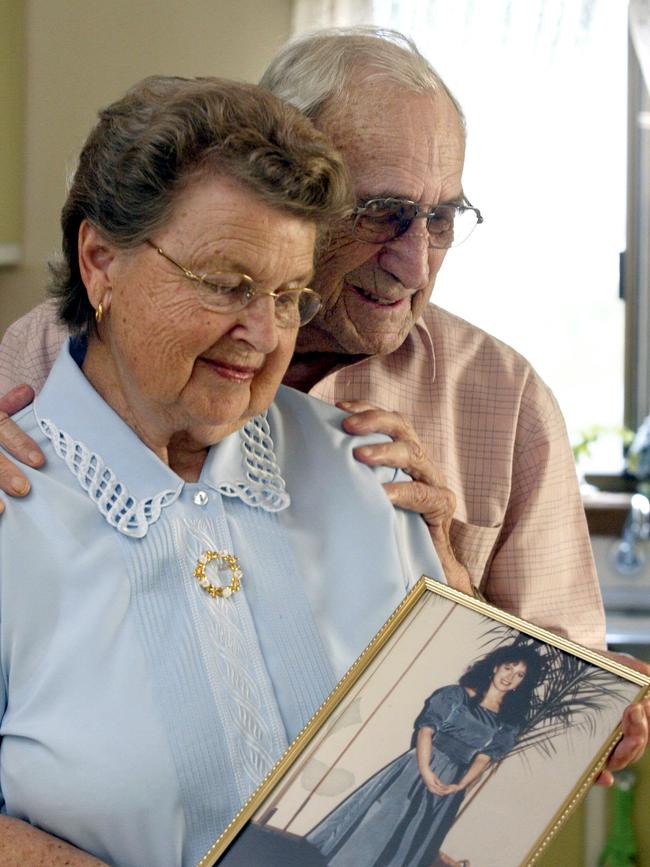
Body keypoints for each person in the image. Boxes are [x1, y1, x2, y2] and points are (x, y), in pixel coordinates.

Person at [0, 26, 647, 779]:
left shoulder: (503, 402)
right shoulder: (52, 353)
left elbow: (553, 730)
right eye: (381, 211)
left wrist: (461, 598)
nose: (415, 261)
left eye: (441, 219)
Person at [0, 75, 446, 866]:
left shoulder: (367, 469)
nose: (261, 332)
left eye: (287, 294)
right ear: (101, 261)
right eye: (226, 284)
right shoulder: (13, 507)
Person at [304, 644, 544, 867]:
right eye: (508, 667)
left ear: (522, 684)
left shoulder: (509, 722)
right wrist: (426, 770)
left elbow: (484, 758)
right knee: (380, 825)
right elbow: (426, 730)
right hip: (418, 768)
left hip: (451, 783)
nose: (510, 676)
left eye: (520, 674)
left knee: (412, 839)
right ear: (495, 667)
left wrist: (459, 785)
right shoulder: (456, 695)